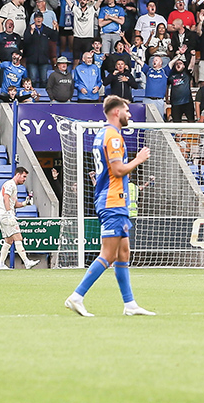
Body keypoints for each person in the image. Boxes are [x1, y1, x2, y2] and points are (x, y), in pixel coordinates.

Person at [66, 96, 155, 317]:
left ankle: (130, 304)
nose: (130, 114)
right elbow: (117, 170)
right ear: (116, 112)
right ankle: (77, 296)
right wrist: (138, 159)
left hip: (115, 200)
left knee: (124, 253)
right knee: (108, 255)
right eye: (127, 110)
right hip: (113, 201)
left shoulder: (102, 134)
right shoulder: (113, 137)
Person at [0, 166, 38, 269]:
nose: (24, 179)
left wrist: (25, 203)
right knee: (18, 237)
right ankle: (26, 262)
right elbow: (6, 198)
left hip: (3, 215)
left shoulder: (12, 186)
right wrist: (9, 213)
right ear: (18, 174)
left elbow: (14, 204)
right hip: (7, 216)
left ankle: (1, 264)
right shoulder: (10, 185)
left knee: (9, 240)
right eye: (23, 176)